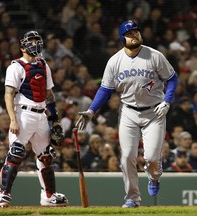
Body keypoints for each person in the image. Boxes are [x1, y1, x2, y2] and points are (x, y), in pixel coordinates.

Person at [75, 20, 178, 208]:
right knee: (127, 156)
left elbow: (172, 79)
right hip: (128, 112)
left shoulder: (155, 56)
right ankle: (132, 198)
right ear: (122, 38)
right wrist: (91, 111)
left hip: (154, 111)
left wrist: (167, 102)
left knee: (152, 159)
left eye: (136, 32)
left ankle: (154, 176)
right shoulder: (114, 61)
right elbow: (105, 90)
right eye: (130, 33)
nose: (134, 35)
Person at [0, 30, 68, 207]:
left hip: (41, 115)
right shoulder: (15, 67)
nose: (35, 44)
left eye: (37, 41)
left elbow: (49, 94)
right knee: (16, 153)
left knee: (46, 156)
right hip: (23, 114)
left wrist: (55, 119)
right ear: (22, 47)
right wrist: (12, 118)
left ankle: (48, 196)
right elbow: (8, 95)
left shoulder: (43, 65)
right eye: (31, 41)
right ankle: (4, 193)